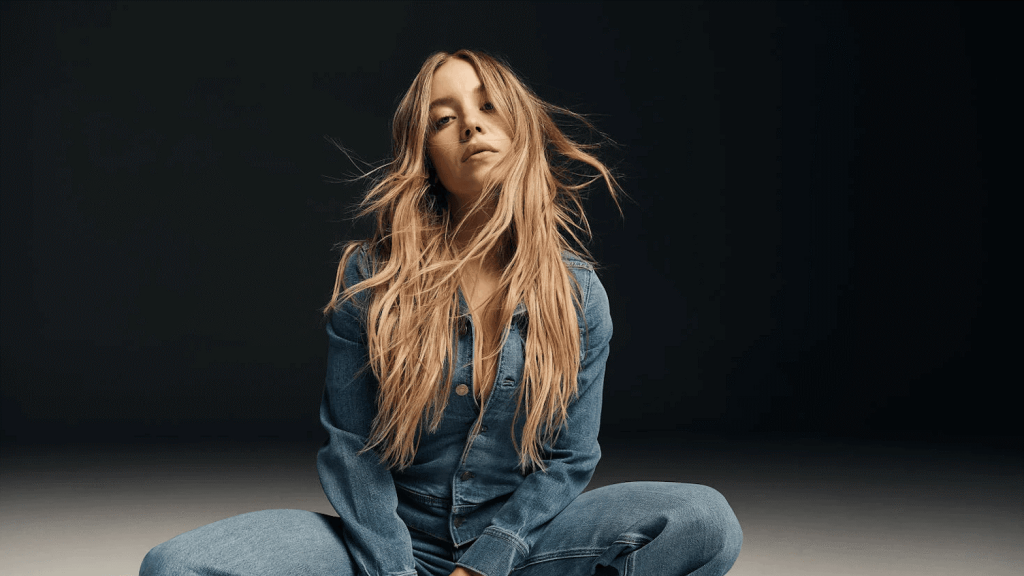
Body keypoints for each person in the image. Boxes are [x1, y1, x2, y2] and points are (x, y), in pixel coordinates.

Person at [140, 49, 741, 576]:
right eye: (443, 119)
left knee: (703, 520)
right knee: (176, 566)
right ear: (426, 154)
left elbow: (569, 459)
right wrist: (393, 568)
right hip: (382, 546)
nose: (471, 125)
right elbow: (352, 450)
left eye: (488, 107)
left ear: (520, 129)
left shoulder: (578, 295)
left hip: (522, 548)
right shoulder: (372, 279)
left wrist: (485, 564)